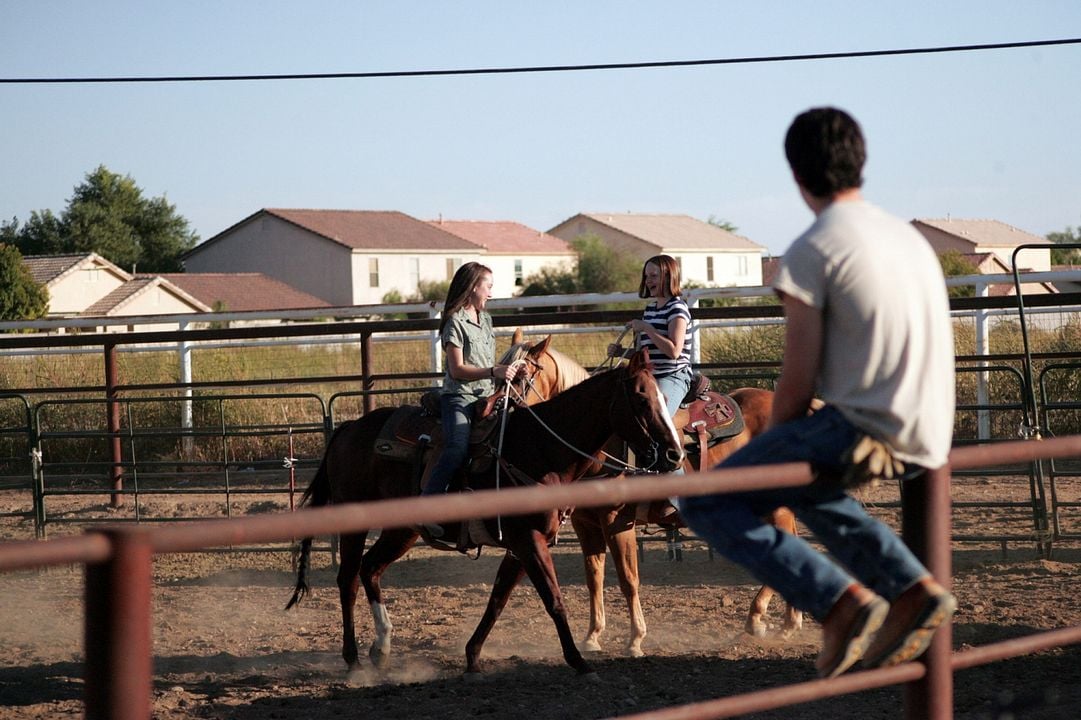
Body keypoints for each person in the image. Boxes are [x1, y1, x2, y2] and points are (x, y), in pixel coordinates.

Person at [679, 107, 957, 678]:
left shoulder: (814, 247)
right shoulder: (906, 238)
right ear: (861, 163)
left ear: (796, 174)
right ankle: (910, 589)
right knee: (809, 485)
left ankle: (839, 602)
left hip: (867, 425)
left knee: (705, 500)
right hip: (932, 427)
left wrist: (774, 448)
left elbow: (797, 378)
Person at [421, 262, 523, 538]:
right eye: (488, 286)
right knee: (456, 446)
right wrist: (494, 371)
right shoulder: (455, 322)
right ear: (473, 287)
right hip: (459, 397)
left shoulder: (485, 319)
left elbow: (488, 361)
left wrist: (511, 368)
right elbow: (457, 369)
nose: (491, 292)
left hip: (488, 395)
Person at [609, 254, 694, 471]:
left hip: (673, 376)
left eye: (654, 275)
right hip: (651, 377)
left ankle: (679, 495)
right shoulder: (651, 309)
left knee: (658, 424)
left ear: (668, 276)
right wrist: (620, 352)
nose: (649, 280)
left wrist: (647, 328)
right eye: (647, 276)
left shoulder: (677, 308)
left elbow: (674, 351)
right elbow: (648, 354)